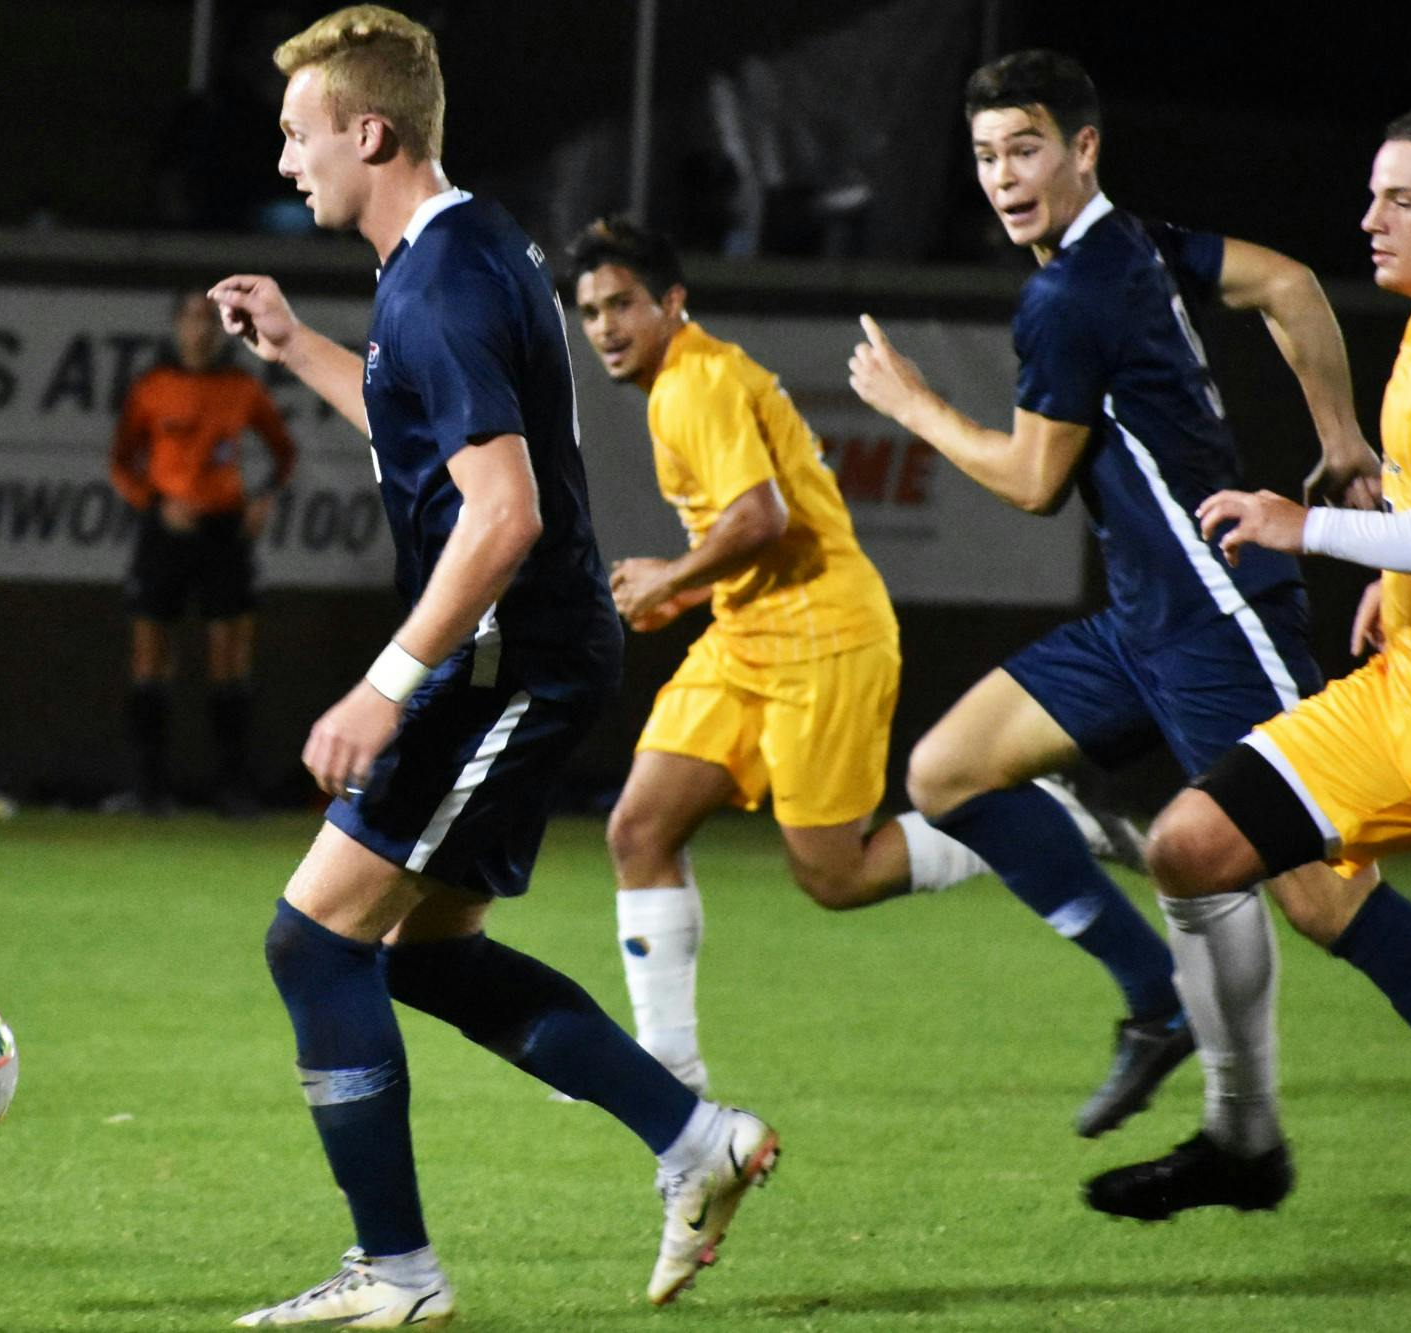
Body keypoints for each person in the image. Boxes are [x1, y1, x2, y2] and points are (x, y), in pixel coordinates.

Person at [849, 51, 1411, 1225]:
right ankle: (1161, 1003)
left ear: (1082, 149)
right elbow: (1292, 284)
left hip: (1215, 615)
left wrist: (911, 407)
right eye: (985, 155)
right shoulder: (1147, 243)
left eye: (1025, 148)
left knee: (1320, 897)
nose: (1002, 177)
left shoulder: (1070, 294)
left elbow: (1034, 481)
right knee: (946, 773)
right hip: (1140, 618)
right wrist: (1349, 451)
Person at [206, 9, 778, 1325]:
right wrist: (296, 346)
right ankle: (696, 1141)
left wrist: (382, 683)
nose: (289, 166)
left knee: (312, 943)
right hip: (522, 652)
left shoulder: (444, 279)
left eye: (300, 137)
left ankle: (395, 1272)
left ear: (371, 131)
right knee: (427, 953)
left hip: (500, 663)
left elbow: (504, 512)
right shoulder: (455, 251)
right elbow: (425, 436)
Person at [1098, 101, 1411, 1230]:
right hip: (1405, 688)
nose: (1368, 219)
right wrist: (1395, 572)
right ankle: (1238, 1132)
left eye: (1400, 201)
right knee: (1191, 842)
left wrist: (1311, 529)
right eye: (1372, 193)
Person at [569, 215, 1143, 1099]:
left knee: (835, 876)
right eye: (590, 310)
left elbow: (762, 518)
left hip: (822, 638)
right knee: (639, 830)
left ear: (672, 302)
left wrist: (670, 575)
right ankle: (669, 1066)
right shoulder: (680, 383)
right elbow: (762, 523)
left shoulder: (696, 383)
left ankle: (1035, 824)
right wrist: (690, 589)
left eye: (622, 304)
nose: (604, 326)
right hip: (747, 630)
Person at [107, 291, 297, 817]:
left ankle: (232, 788)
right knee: (150, 656)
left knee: (230, 659)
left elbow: (284, 452)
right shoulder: (151, 387)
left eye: (210, 320)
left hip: (224, 533)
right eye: (191, 319)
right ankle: (148, 788)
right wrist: (154, 503)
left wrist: (264, 499)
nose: (200, 330)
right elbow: (122, 460)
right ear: (175, 328)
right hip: (165, 533)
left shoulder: (241, 387)